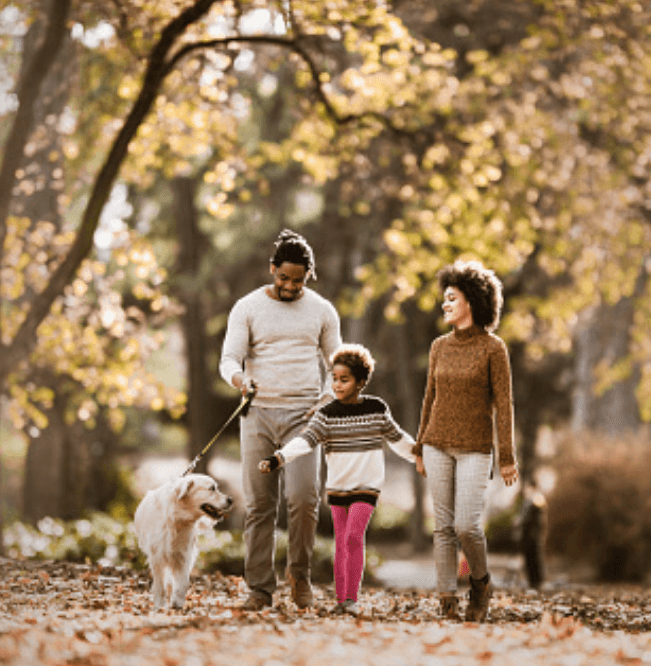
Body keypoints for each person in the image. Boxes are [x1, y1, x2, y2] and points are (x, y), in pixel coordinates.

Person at [219, 229, 342, 611]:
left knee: (303, 499)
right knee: (259, 504)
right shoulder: (247, 307)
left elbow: (337, 364)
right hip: (258, 415)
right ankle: (259, 588)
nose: (290, 286)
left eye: (298, 281)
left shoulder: (322, 310)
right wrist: (241, 379)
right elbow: (228, 360)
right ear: (272, 269)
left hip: (304, 419)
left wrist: (325, 398)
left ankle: (300, 576)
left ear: (309, 276)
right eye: (283, 278)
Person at [259, 344, 417, 616]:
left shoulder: (376, 408)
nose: (337, 384)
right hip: (337, 488)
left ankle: (351, 599)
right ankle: (341, 600)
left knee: (354, 537)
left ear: (361, 382)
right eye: (334, 378)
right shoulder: (327, 414)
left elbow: (399, 439)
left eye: (344, 379)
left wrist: (421, 456)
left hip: (366, 487)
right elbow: (305, 441)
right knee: (342, 541)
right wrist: (278, 458)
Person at [413, 259, 519, 622]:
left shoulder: (493, 349)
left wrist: (506, 456)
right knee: (442, 527)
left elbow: (504, 406)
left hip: (475, 447)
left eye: (451, 298)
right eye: (444, 299)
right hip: (436, 443)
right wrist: (419, 446)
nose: (444, 305)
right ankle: (447, 600)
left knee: (466, 526)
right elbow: (430, 397)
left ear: (471, 301)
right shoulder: (439, 346)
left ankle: (480, 582)